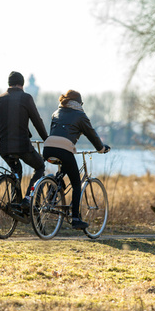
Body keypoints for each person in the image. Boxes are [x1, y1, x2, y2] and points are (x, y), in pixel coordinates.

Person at [43, 90, 110, 230]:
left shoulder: (56, 112)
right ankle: (75, 219)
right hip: (64, 149)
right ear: (79, 103)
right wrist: (101, 148)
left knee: (64, 168)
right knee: (76, 184)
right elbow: (92, 135)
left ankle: (53, 189)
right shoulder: (80, 115)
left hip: (48, 148)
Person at [0, 71, 48, 207]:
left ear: (9, 84)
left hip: (3, 147)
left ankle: (16, 205)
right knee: (40, 166)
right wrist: (46, 138)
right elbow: (37, 121)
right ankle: (28, 199)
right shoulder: (26, 98)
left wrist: (6, 135)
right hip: (22, 146)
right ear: (22, 84)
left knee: (16, 170)